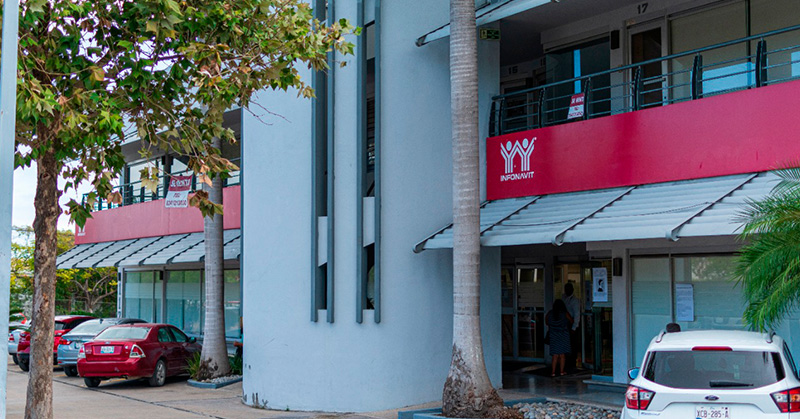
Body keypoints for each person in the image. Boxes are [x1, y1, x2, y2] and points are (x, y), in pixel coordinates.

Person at [546, 299, 573, 377]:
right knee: (562, 355)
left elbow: (547, 322)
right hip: (563, 335)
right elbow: (571, 321)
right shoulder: (565, 314)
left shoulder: (550, 314)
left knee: (555, 355)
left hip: (553, 336)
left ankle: (553, 372)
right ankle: (561, 371)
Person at [563, 283, 581, 372]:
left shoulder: (574, 300)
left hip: (571, 323)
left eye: (569, 289)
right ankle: (566, 361)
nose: (567, 290)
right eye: (566, 289)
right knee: (566, 343)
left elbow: (577, 314)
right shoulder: (563, 298)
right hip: (565, 323)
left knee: (572, 344)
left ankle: (572, 362)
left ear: (572, 290)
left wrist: (574, 327)